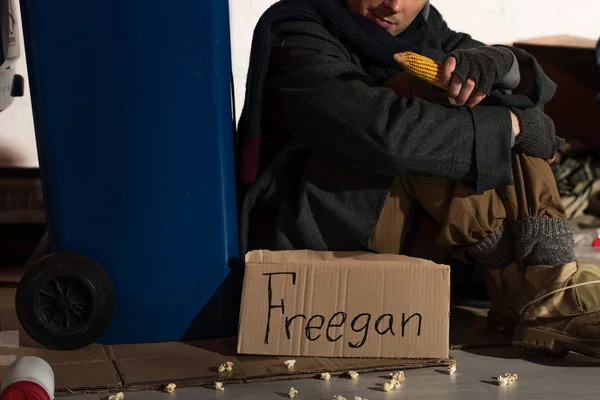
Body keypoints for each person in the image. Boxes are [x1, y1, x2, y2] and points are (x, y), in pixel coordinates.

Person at [236, 0, 600, 359]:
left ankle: (543, 280)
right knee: (437, 112)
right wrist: (514, 127)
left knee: (483, 96)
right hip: (324, 228)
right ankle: (538, 290)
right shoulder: (302, 33)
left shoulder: (427, 31)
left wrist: (501, 62)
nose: (393, 5)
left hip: (403, 229)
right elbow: (388, 137)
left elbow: (524, 84)